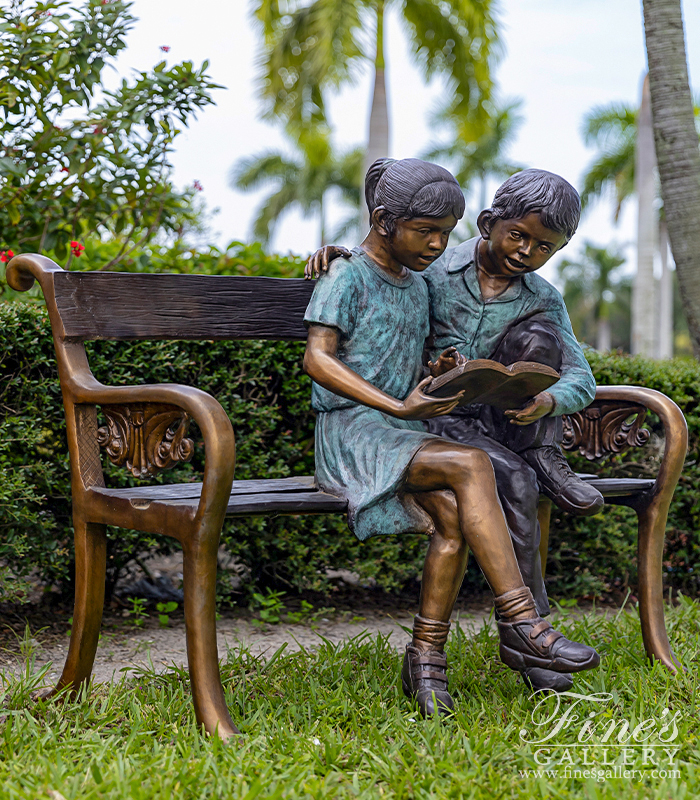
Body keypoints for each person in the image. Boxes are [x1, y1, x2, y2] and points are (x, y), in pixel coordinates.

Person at [303, 157, 599, 718]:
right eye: (428, 232)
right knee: (477, 470)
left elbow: (409, 354)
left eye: (544, 248)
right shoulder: (393, 273)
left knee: (458, 510)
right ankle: (525, 621)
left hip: (427, 424)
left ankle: (426, 657)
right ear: (489, 224)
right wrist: (334, 249)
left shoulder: (436, 285)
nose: (438, 244)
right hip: (375, 429)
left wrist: (453, 373)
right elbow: (325, 349)